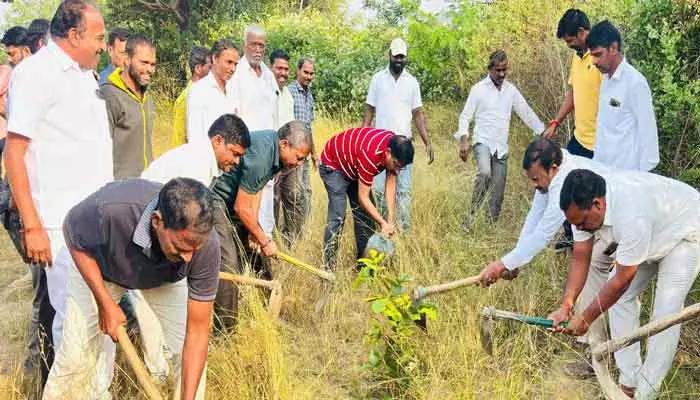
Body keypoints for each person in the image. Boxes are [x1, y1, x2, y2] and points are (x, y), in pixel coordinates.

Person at [5, 0, 113, 386]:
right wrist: (32, 226)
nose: (103, 46)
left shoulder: (84, 75)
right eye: (98, 37)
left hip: (96, 220)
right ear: (74, 35)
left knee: (100, 324)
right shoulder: (37, 73)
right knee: (74, 329)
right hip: (60, 226)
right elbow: (14, 154)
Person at [43, 178, 219, 400]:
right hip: (103, 268)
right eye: (180, 247)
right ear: (157, 221)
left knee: (186, 348)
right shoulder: (111, 210)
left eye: (195, 249)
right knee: (76, 355)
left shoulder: (204, 245)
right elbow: (73, 233)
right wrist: (104, 302)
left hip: (164, 277)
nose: (189, 257)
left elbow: (198, 333)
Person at [551, 169, 700, 399]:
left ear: (598, 204)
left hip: (686, 232)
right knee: (620, 301)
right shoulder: (581, 213)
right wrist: (567, 304)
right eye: (574, 224)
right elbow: (581, 257)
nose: (579, 229)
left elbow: (621, 281)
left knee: (665, 314)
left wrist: (586, 319)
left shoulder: (630, 214)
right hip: (653, 233)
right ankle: (628, 382)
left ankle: (646, 393)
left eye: (581, 223)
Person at [478, 139, 612, 372]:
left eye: (536, 179)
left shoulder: (563, 182)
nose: (534, 184)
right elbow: (534, 216)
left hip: (611, 223)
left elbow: (544, 234)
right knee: (589, 279)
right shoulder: (551, 175)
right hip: (594, 227)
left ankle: (603, 355)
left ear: (553, 168)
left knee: (608, 285)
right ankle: (592, 348)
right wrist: (515, 261)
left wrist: (504, 263)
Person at [210, 121, 311, 332]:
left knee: (258, 253)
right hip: (215, 202)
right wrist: (265, 239)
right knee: (228, 263)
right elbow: (242, 207)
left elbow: (254, 192)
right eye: (299, 157)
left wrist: (256, 234)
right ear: (284, 145)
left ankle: (268, 313)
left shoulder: (273, 154)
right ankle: (226, 331)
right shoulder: (263, 155)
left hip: (235, 204)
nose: (299, 164)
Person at [454, 49, 544, 231]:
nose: (502, 74)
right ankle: (470, 219)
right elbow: (465, 116)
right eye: (498, 70)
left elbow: (525, 111)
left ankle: (490, 228)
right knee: (485, 173)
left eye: (505, 70)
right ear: (490, 69)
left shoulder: (511, 91)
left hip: (501, 147)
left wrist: (542, 131)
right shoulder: (478, 89)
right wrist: (464, 140)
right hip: (482, 141)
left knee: (497, 191)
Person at [363, 38, 433, 233]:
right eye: (396, 56)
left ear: (406, 57)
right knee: (377, 191)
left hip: (403, 147)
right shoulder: (378, 79)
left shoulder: (412, 83)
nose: (399, 60)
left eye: (402, 57)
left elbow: (418, 113)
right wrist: (363, 135)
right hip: (380, 146)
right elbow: (369, 110)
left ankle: (403, 232)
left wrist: (427, 142)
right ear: (390, 55)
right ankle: (382, 228)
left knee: (403, 191)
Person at [320, 127, 414, 270]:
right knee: (338, 216)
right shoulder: (371, 155)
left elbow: (390, 183)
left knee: (366, 218)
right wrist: (383, 223)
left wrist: (389, 219)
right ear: (388, 152)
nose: (397, 171)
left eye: (401, 168)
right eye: (396, 165)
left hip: (353, 167)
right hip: (333, 165)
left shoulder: (395, 148)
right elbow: (363, 198)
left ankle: (364, 268)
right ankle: (328, 269)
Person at [588, 20, 659, 172]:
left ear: (613, 48)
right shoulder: (605, 80)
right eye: (592, 56)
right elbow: (605, 128)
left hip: (627, 177)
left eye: (598, 55)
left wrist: (644, 178)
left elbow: (648, 133)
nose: (594, 61)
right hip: (603, 171)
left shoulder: (635, 83)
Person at [229, 24, 279, 238]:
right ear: (245, 45)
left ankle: (263, 253)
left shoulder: (268, 75)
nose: (258, 50)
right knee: (245, 208)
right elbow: (232, 116)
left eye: (262, 45)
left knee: (266, 208)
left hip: (270, 153)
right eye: (254, 45)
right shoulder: (237, 74)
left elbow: (275, 114)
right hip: (247, 154)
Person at [543, 9, 601, 159]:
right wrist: (556, 122)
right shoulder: (577, 58)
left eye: (569, 41)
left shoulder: (602, 58)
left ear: (581, 32)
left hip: (599, 145)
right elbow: (574, 93)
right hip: (579, 139)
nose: (568, 45)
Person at [101, 33, 156, 179]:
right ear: (127, 60)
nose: (149, 69)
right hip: (119, 190)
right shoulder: (109, 95)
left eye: (152, 64)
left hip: (146, 185)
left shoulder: (148, 98)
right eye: (143, 63)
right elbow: (99, 151)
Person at [269, 48, 301, 245]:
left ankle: (290, 241)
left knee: (293, 197)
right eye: (278, 68)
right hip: (271, 156)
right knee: (271, 200)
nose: (282, 73)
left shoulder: (288, 95)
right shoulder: (264, 92)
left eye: (286, 69)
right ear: (270, 67)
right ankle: (270, 240)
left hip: (287, 158)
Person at [186, 38, 239, 143]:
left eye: (235, 64)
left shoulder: (234, 91)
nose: (233, 69)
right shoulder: (198, 91)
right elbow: (194, 137)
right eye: (229, 62)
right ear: (214, 58)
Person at [287, 58, 315, 231]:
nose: (309, 76)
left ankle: (304, 229)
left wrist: (314, 153)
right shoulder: (289, 92)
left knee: (306, 192)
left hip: (305, 153)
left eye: (311, 73)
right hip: (292, 153)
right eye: (305, 72)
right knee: (294, 193)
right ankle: (292, 231)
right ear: (297, 71)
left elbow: (309, 127)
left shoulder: (309, 95)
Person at [170, 46, 211, 148]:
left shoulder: (207, 95)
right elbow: (178, 141)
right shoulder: (184, 99)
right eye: (210, 67)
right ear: (198, 69)